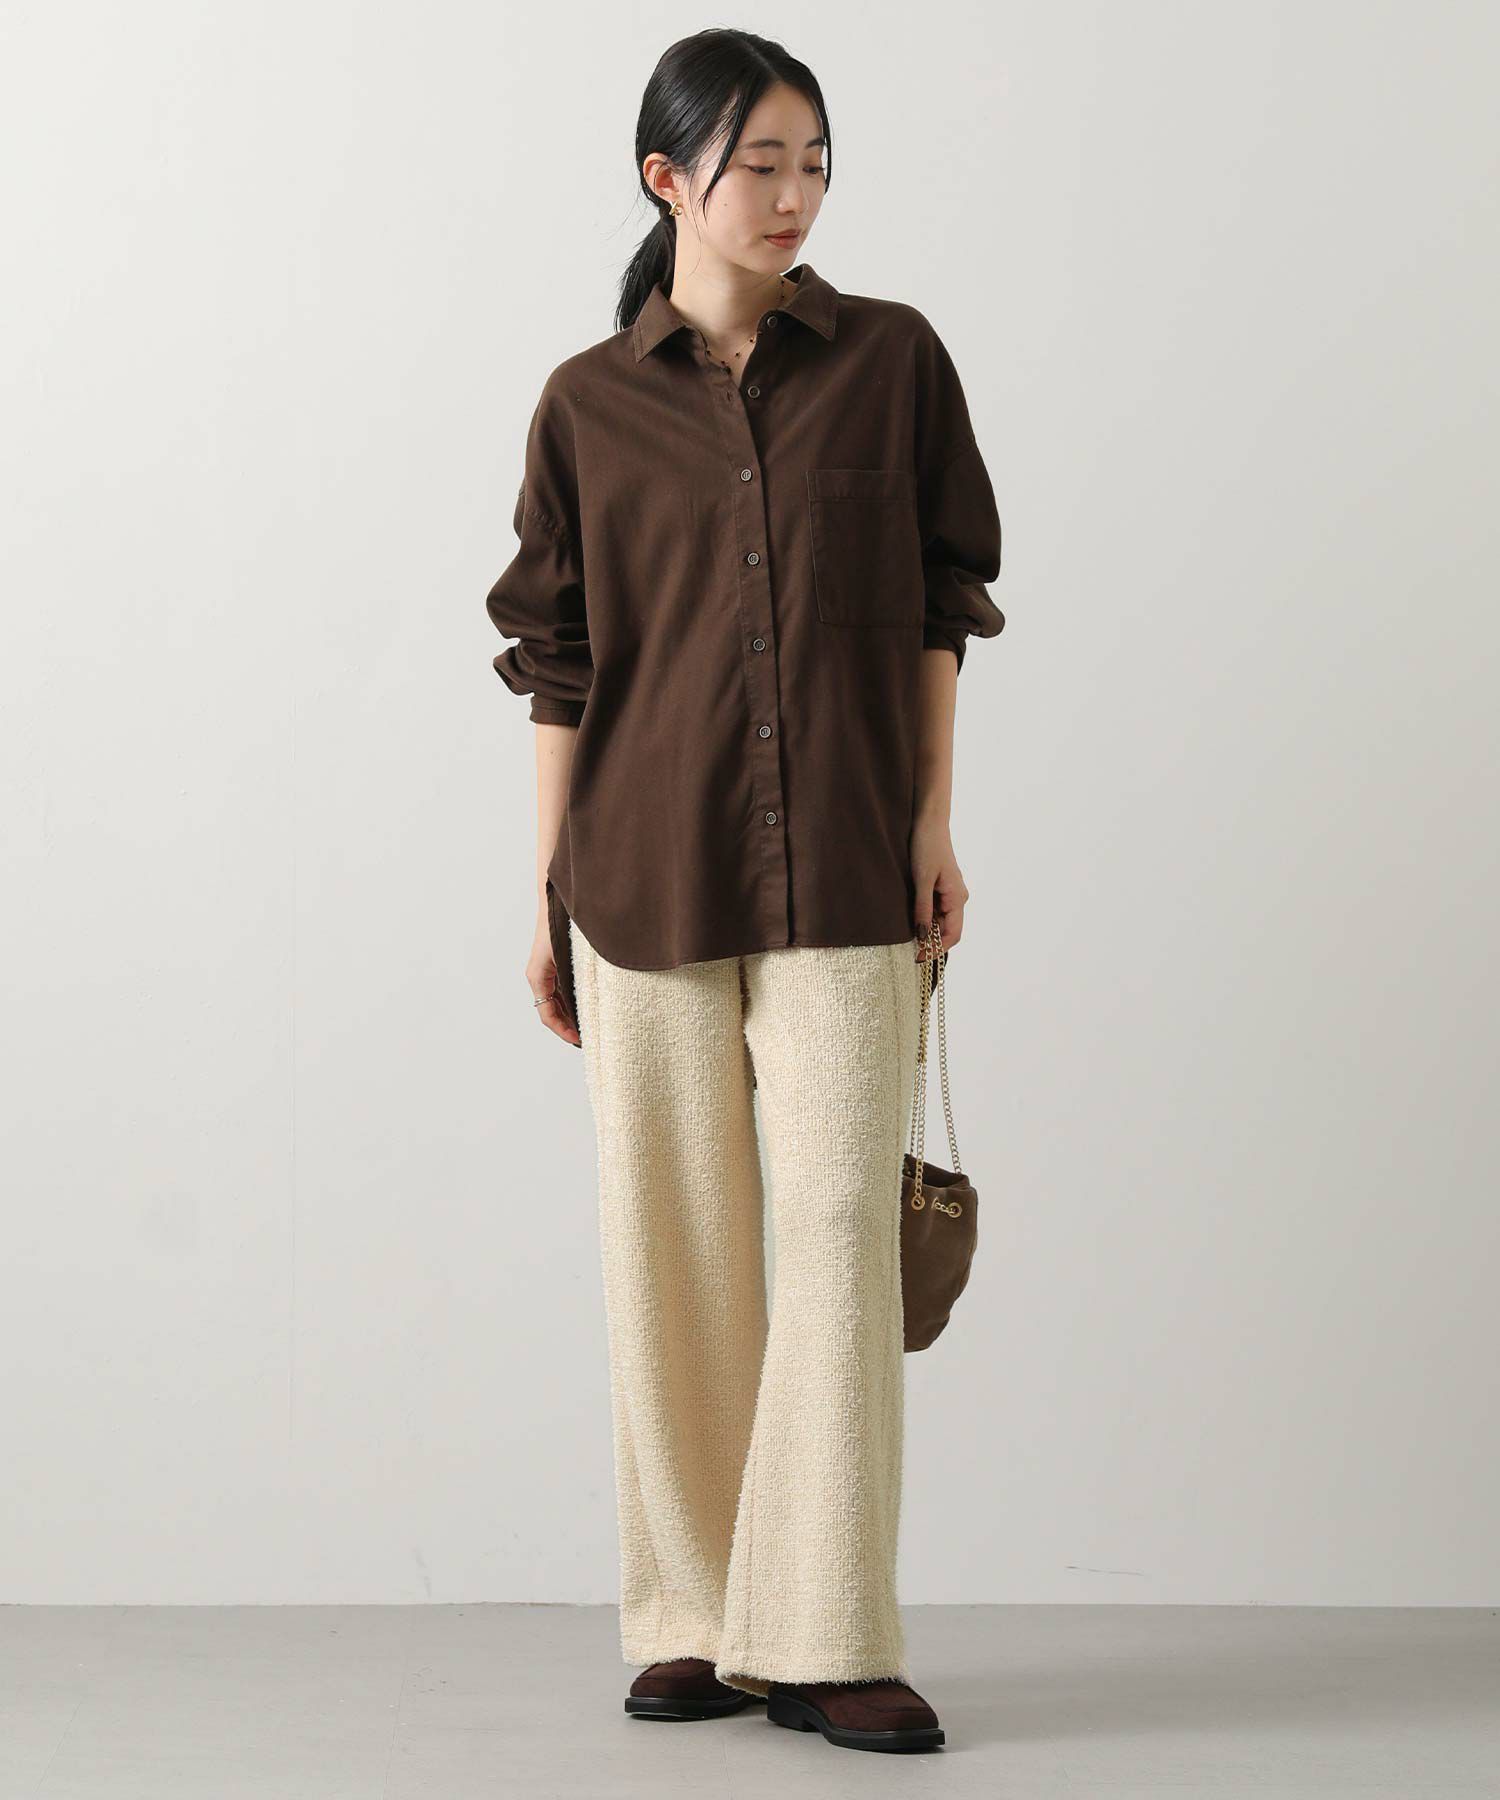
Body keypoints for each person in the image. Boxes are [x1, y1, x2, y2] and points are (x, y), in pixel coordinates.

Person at [484, 27, 1002, 1756]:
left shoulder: (893, 363)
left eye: (814, 163)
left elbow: (942, 608)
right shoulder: (586, 403)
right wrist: (545, 889)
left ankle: (827, 1630)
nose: (793, 195)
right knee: (676, 1245)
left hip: (849, 858)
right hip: (642, 868)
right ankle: (699, 1621)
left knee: (838, 1234)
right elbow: (558, 664)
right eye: (758, 163)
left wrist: (933, 821)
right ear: (668, 179)